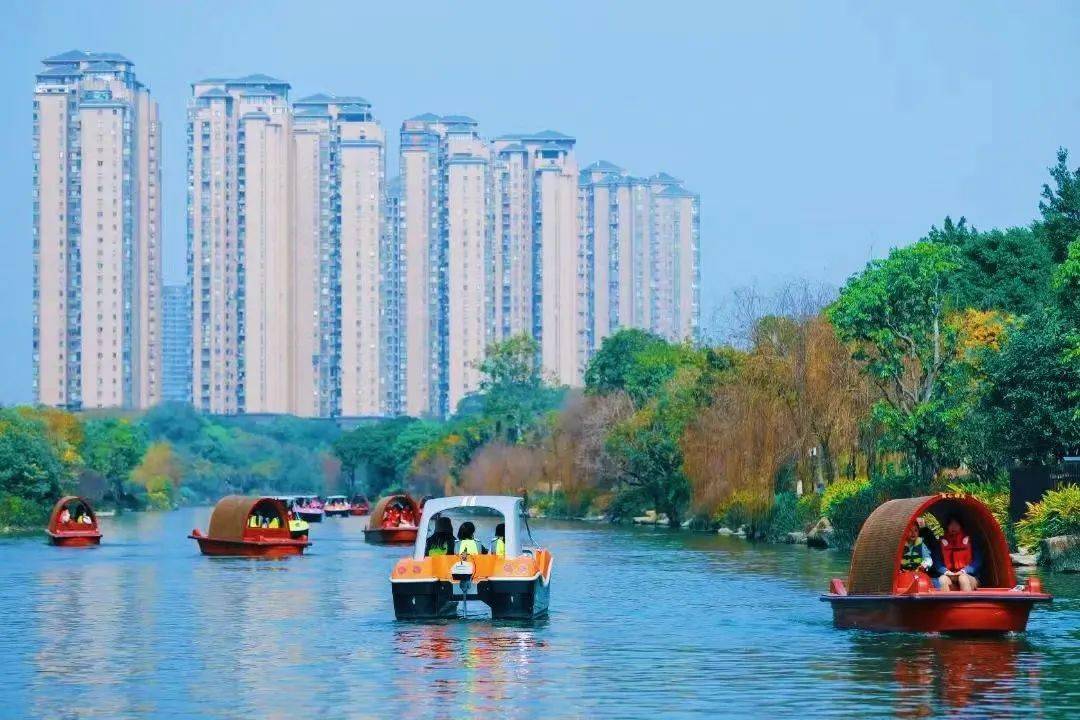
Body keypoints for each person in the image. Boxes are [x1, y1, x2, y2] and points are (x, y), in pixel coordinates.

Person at [936, 515, 981, 591]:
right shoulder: (941, 543)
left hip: (968, 576)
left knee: (962, 578)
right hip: (950, 575)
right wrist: (946, 572)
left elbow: (977, 562)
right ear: (947, 527)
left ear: (961, 526)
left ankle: (967, 602)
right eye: (951, 524)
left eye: (956, 524)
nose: (953, 527)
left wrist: (964, 571)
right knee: (941, 580)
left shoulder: (971, 541)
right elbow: (937, 561)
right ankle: (946, 603)